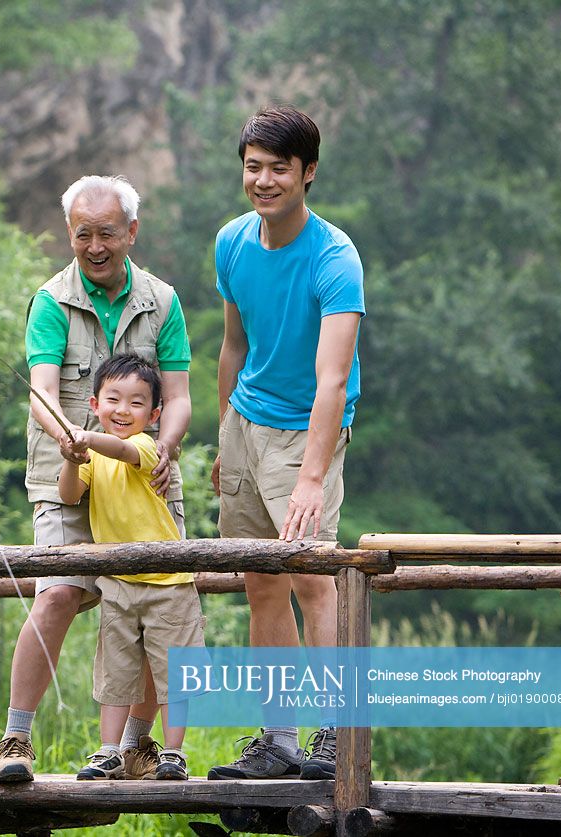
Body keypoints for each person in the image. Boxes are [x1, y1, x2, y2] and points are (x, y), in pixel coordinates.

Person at [0, 175, 192, 784]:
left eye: (108, 232)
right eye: (83, 234)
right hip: (67, 481)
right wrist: (68, 441)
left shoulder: (163, 300)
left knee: (159, 607)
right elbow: (42, 391)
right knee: (56, 593)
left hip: (148, 484)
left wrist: (166, 448)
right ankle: (15, 741)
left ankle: (134, 746)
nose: (95, 245)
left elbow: (178, 397)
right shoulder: (50, 301)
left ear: (132, 231)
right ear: (69, 234)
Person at [206, 105, 364, 781]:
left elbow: (331, 382)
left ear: (307, 174)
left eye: (277, 168)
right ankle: (277, 739)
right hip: (244, 427)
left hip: (306, 430)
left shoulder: (334, 257)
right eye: (252, 167)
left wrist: (309, 476)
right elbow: (233, 345)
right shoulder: (232, 243)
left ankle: (336, 733)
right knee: (260, 581)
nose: (262, 180)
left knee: (311, 576)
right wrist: (222, 437)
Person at [53, 353, 204, 781]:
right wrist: (70, 454)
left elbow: (118, 448)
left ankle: (173, 753)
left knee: (175, 673)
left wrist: (85, 438)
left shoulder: (145, 447)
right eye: (113, 399)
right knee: (115, 671)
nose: (123, 410)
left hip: (169, 583)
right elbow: (67, 495)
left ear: (155, 414)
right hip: (117, 583)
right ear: (94, 403)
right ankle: (109, 751)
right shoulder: (92, 455)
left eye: (137, 403)